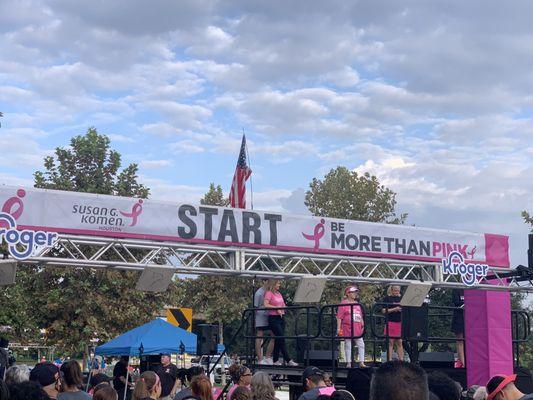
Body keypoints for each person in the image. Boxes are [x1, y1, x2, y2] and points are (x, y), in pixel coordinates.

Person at [263, 279, 297, 366]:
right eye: (278, 283)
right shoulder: (269, 293)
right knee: (281, 338)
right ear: (273, 283)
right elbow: (266, 304)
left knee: (278, 338)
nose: (279, 285)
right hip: (273, 318)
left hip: (281, 317)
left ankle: (275, 360)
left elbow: (282, 304)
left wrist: (285, 307)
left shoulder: (279, 294)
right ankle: (288, 359)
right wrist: (276, 308)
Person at [337, 285, 366, 368]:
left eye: (355, 292)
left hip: (357, 327)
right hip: (347, 327)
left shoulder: (357, 304)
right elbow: (339, 317)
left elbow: (360, 315)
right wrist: (338, 328)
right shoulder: (343, 303)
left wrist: (362, 324)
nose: (355, 294)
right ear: (348, 293)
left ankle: (361, 362)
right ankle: (348, 363)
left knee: (361, 344)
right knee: (348, 344)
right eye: (353, 292)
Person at [254, 280, 274, 365]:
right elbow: (255, 307)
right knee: (259, 336)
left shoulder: (271, 291)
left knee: (274, 335)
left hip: (270, 315)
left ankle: (268, 357)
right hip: (261, 316)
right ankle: (260, 359)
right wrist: (255, 320)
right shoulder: (259, 293)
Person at [381, 286, 404, 362]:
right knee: (390, 342)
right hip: (390, 321)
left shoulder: (402, 298)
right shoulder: (387, 298)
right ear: (391, 290)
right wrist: (394, 309)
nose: (397, 292)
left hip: (399, 322)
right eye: (395, 290)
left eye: (398, 290)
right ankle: (389, 360)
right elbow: (383, 310)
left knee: (400, 342)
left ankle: (401, 360)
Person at [451, 289, 465, 368]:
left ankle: (466, 361)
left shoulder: (472, 289)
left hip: (471, 318)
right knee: (460, 340)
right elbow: (456, 302)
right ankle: (463, 362)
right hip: (459, 317)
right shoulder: (456, 289)